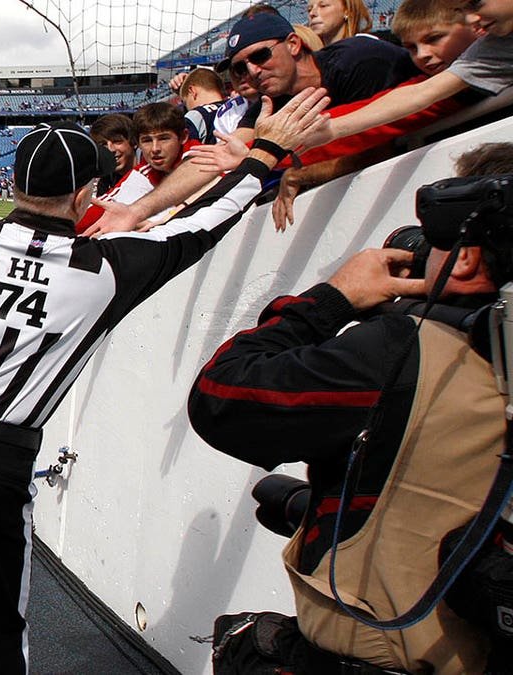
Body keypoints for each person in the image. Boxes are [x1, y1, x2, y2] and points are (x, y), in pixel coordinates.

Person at [0, 89, 331, 673]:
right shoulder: (108, 268)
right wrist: (265, 152)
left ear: (12, 185)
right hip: (1, 462)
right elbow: (202, 225)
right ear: (87, 193)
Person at [187, 143, 513, 674]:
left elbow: (223, 398)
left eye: (433, 241)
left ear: (467, 256)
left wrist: (333, 298)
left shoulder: (403, 351)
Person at [85, 12, 418, 235]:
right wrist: (140, 212)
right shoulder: (265, 101)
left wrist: (301, 172)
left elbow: (381, 148)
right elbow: (211, 161)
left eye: (260, 56)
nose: (252, 73)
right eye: (240, 68)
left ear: (293, 44)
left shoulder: (358, 62)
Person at [300, 0, 513, 152]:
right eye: (463, 9)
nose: (471, 19)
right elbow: (422, 93)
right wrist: (332, 129)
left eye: (476, 3)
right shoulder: (493, 48)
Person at [179, 67, 228, 145]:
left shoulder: (195, 115)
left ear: (192, 91)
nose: (187, 108)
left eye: (186, 102)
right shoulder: (235, 106)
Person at [307, 0, 374, 45]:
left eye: (323, 6)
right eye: (309, 10)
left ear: (347, 10)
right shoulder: (306, 58)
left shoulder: (367, 48)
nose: (312, 13)